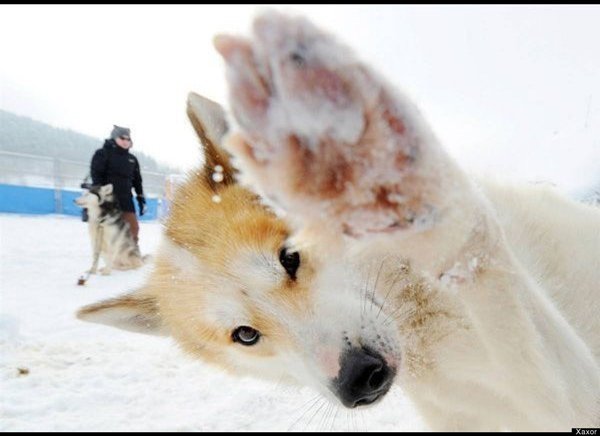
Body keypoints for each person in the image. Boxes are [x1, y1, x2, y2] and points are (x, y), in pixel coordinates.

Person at [90, 125, 147, 244]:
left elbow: (137, 181)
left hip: (126, 200)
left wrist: (140, 198)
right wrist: (99, 195)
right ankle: (113, 258)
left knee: (133, 228)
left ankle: (131, 256)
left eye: (128, 139)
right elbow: (96, 175)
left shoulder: (132, 159)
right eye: (122, 138)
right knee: (111, 231)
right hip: (108, 200)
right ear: (114, 138)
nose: (126, 141)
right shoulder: (102, 154)